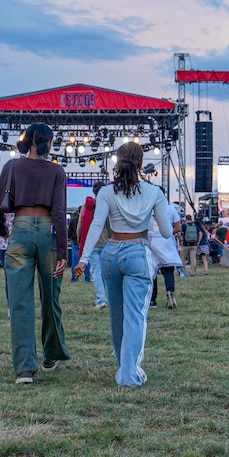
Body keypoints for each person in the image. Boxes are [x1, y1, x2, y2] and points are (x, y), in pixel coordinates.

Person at [80, 141, 172, 387]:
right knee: (136, 316)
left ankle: (124, 366)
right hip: (137, 252)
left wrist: (83, 259)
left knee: (117, 315)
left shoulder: (106, 192)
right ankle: (130, 374)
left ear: (117, 163)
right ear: (141, 163)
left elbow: (96, 226)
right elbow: (165, 232)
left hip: (111, 251)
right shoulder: (154, 192)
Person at [0, 123, 70, 384]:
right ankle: (51, 355)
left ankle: (24, 369)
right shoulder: (57, 171)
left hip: (20, 230)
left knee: (20, 302)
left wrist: (4, 232)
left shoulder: (12, 167)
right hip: (47, 231)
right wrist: (62, 252)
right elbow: (59, 213)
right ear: (47, 142)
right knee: (51, 298)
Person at [148, 195, 184, 309]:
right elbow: (178, 228)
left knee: (152, 272)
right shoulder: (171, 209)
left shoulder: (147, 209)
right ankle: (170, 290)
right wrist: (169, 231)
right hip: (167, 241)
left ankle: (152, 299)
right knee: (168, 270)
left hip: (152, 241)